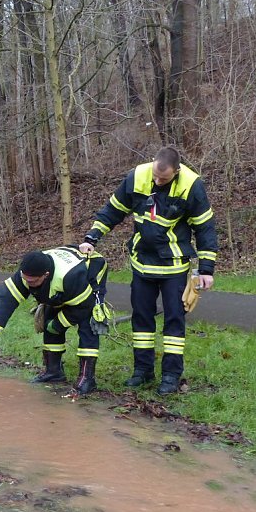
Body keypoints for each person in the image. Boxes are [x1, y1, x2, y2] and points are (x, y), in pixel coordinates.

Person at [79, 146, 218, 395]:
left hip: (174, 266)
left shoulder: (191, 185)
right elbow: (113, 210)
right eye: (155, 175)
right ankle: (142, 372)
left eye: (163, 179)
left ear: (176, 171)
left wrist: (206, 269)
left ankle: (171, 376)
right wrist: (92, 238)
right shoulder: (137, 177)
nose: (157, 181)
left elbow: (205, 227)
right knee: (141, 319)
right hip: (141, 263)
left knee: (174, 322)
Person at [0, 246, 108, 395]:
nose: (28, 284)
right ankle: (54, 372)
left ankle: (88, 379)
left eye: (33, 282)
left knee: (88, 323)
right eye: (26, 280)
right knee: (49, 315)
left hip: (91, 272)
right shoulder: (27, 272)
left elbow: (83, 307)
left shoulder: (70, 276)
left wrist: (59, 323)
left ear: (46, 275)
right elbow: (3, 302)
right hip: (63, 281)